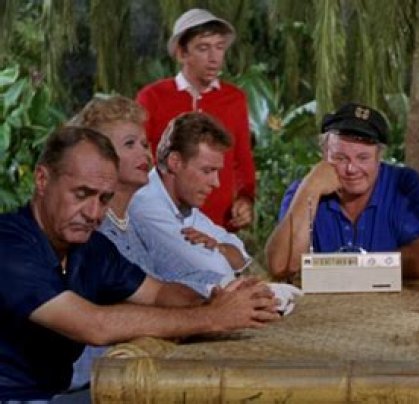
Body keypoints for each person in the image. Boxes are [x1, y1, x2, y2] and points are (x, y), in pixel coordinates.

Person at [0, 126, 279, 400]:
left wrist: (211, 302)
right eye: (82, 194)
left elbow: (158, 293)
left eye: (104, 199)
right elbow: (94, 324)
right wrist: (212, 317)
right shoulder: (9, 244)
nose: (94, 213)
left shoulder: (91, 248)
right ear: (42, 180)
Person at [265, 102, 419, 280]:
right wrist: (311, 188)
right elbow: (281, 266)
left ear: (379, 157)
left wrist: (348, 270)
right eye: (340, 158)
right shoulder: (304, 189)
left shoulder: (402, 183)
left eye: (363, 158)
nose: (351, 169)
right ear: (325, 154)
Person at [136, 8, 254, 231]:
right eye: (203, 48)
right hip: (162, 224)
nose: (214, 58)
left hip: (219, 226)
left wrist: (245, 199)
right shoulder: (152, 98)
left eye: (219, 47)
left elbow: (242, 160)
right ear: (182, 53)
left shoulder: (234, 99)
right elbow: (139, 158)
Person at [66, 95, 153, 391]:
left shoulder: (134, 224)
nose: (144, 152)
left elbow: (169, 283)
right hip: (87, 385)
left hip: (127, 374)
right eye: (130, 144)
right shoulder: (88, 230)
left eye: (144, 143)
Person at [128, 112, 254, 297]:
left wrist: (219, 248)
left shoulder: (182, 205)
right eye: (207, 171)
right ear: (175, 162)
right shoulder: (145, 205)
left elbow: (241, 256)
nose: (216, 183)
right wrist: (223, 255)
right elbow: (217, 272)